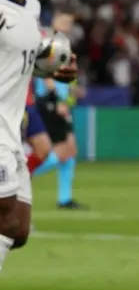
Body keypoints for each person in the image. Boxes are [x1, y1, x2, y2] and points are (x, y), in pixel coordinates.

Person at [0, 0, 77, 290]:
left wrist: (56, 69)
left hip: (14, 129)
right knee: (5, 217)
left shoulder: (29, 7)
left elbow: (27, 59)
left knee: (19, 229)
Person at [33, 13, 84, 208]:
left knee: (70, 153)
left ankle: (65, 198)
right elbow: (45, 74)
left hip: (61, 103)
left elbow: (67, 77)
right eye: (66, 23)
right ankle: (22, 176)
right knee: (63, 152)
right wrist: (59, 99)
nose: (69, 26)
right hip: (50, 103)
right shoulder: (48, 43)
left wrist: (71, 94)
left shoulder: (64, 46)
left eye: (70, 23)